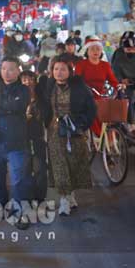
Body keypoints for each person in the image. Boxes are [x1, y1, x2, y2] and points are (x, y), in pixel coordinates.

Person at [36, 56, 97, 216]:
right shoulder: (49, 85)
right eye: (56, 69)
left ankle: (71, 195)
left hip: (74, 131)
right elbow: (41, 102)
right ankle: (63, 199)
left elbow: (91, 109)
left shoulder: (80, 87)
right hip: (54, 130)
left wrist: (82, 124)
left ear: (70, 71)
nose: (59, 72)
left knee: (74, 163)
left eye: (63, 69)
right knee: (59, 164)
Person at [0, 57, 32, 228]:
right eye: (3, 68)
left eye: (10, 69)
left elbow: (18, 106)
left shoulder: (24, 90)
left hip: (16, 142)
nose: (6, 72)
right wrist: (6, 107)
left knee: (19, 179)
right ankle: (1, 205)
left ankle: (19, 212)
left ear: (18, 71)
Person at [22, 68, 49, 203]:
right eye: (25, 79)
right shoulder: (18, 96)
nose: (28, 82)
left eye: (31, 79)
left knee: (40, 168)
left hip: (38, 136)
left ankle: (40, 197)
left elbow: (46, 114)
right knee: (25, 168)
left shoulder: (41, 97)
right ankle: (27, 195)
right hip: (22, 138)